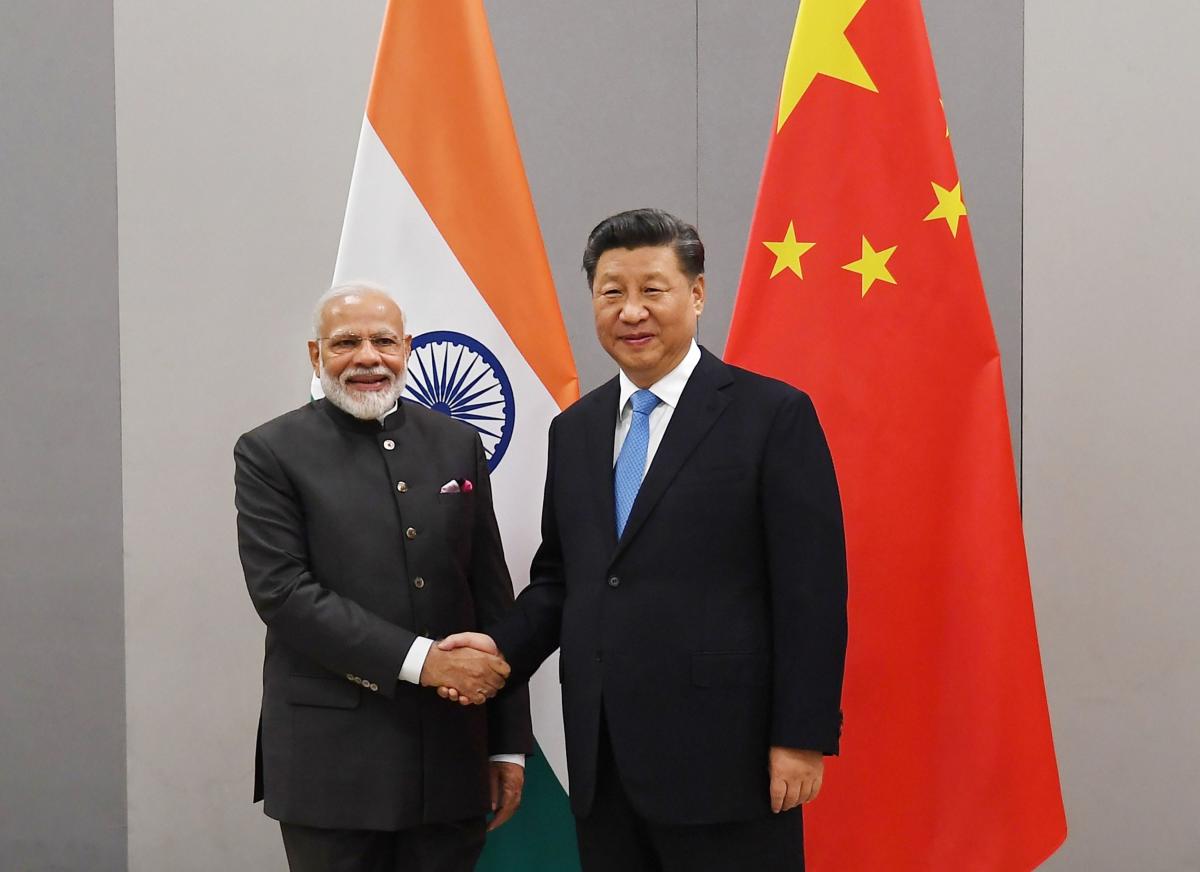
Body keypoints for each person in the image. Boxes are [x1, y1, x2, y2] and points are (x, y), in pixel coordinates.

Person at [438, 209, 848, 871]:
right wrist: (500, 647)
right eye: (612, 292)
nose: (632, 311)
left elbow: (813, 594)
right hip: (605, 765)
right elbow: (564, 580)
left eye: (653, 290)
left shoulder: (771, 415)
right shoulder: (575, 430)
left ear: (697, 294)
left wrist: (800, 737)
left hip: (729, 764)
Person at [234, 282, 531, 872]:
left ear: (408, 349)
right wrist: (427, 661)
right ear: (316, 357)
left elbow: (491, 595)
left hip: (451, 758)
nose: (368, 357)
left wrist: (507, 744)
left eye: (384, 341)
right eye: (346, 342)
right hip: (331, 767)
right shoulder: (270, 451)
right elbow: (284, 593)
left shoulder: (457, 442)